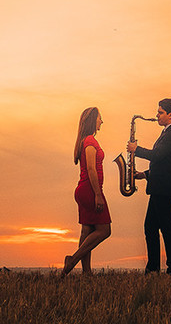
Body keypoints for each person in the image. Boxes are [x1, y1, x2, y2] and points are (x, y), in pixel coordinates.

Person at [126, 97, 171, 274]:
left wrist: (136, 149)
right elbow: (164, 164)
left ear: (170, 115)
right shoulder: (168, 133)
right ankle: (154, 268)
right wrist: (144, 175)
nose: (156, 115)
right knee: (151, 227)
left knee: (167, 229)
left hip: (164, 189)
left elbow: (157, 156)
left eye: (160, 112)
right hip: (160, 187)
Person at [63, 106, 111, 275]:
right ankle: (73, 260)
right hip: (90, 190)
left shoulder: (85, 140)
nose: (102, 121)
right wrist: (98, 194)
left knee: (87, 231)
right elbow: (91, 169)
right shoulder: (90, 141)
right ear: (93, 120)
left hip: (84, 189)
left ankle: (86, 273)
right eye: (99, 118)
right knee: (105, 230)